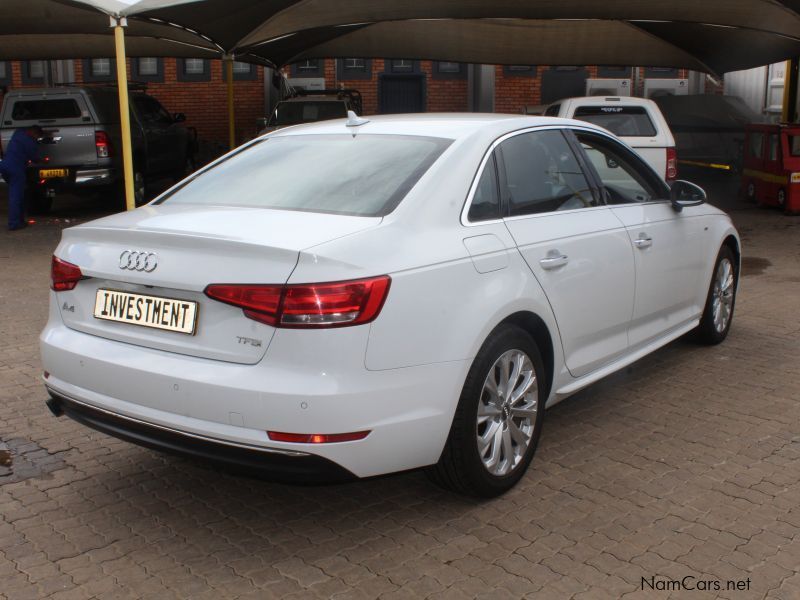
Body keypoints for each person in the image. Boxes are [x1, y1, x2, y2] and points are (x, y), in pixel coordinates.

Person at [1, 125, 42, 230]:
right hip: (16, 169)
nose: (36, 138)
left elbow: (22, 129)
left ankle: (19, 220)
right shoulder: (30, 142)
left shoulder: (18, 134)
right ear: (34, 134)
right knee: (16, 196)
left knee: (17, 193)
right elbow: (35, 158)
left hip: (4, 166)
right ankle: (14, 223)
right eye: (37, 136)